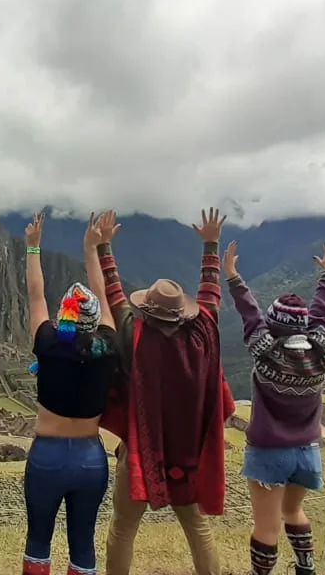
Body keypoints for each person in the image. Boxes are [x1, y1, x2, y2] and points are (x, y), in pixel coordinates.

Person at [93, 209, 237, 575]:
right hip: (188, 453)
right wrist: (210, 244)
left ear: (148, 311)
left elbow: (114, 295)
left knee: (123, 528)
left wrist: (104, 247)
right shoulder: (204, 332)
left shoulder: (135, 337)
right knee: (197, 527)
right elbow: (210, 294)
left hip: (144, 451)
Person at [223, 240, 325, 575]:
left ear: (273, 326)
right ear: (304, 326)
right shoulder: (321, 354)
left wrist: (232, 276)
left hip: (268, 452)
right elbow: (324, 314)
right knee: (294, 512)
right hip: (307, 451)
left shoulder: (266, 353)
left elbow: (250, 314)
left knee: (267, 527)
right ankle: (306, 569)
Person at [19, 211, 120, 575]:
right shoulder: (108, 346)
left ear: (62, 315)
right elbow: (108, 300)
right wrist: (93, 248)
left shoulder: (47, 342)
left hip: (46, 456)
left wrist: (33, 248)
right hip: (91, 459)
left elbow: (35, 296)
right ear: (95, 320)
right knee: (83, 540)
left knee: (38, 540)